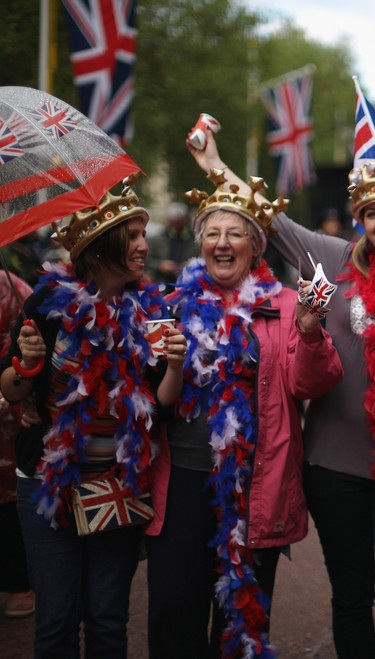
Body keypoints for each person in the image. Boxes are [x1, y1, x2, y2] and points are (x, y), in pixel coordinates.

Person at [188, 129, 375, 658]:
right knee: (350, 599)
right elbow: (269, 219)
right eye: (372, 212)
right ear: (360, 220)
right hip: (333, 467)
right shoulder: (333, 259)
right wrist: (214, 165)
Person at [145, 169, 343, 658]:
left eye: (235, 233)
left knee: (242, 621)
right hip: (183, 483)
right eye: (212, 233)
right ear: (200, 244)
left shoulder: (288, 306)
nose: (223, 242)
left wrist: (312, 332)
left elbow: (311, 382)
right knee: (174, 610)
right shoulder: (172, 305)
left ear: (256, 247)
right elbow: (149, 395)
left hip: (257, 484)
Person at [0, 176, 187, 658]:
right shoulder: (47, 304)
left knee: (107, 620)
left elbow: (159, 405)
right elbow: (11, 390)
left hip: (117, 482)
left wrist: (175, 365)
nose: (145, 245)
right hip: (48, 481)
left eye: (144, 235)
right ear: (104, 245)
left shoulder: (150, 309)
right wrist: (26, 364)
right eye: (134, 236)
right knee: (57, 620)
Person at [0, 271, 35, 619]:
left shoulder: (13, 290)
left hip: (7, 417)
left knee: (7, 502)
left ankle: (18, 582)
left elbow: (20, 349)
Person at [146, 201, 198, 285]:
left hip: (187, 283)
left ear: (185, 221)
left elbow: (201, 259)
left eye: (179, 222)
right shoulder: (157, 239)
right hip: (162, 284)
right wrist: (160, 265)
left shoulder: (194, 240)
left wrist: (189, 265)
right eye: (174, 222)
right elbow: (147, 260)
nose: (176, 226)